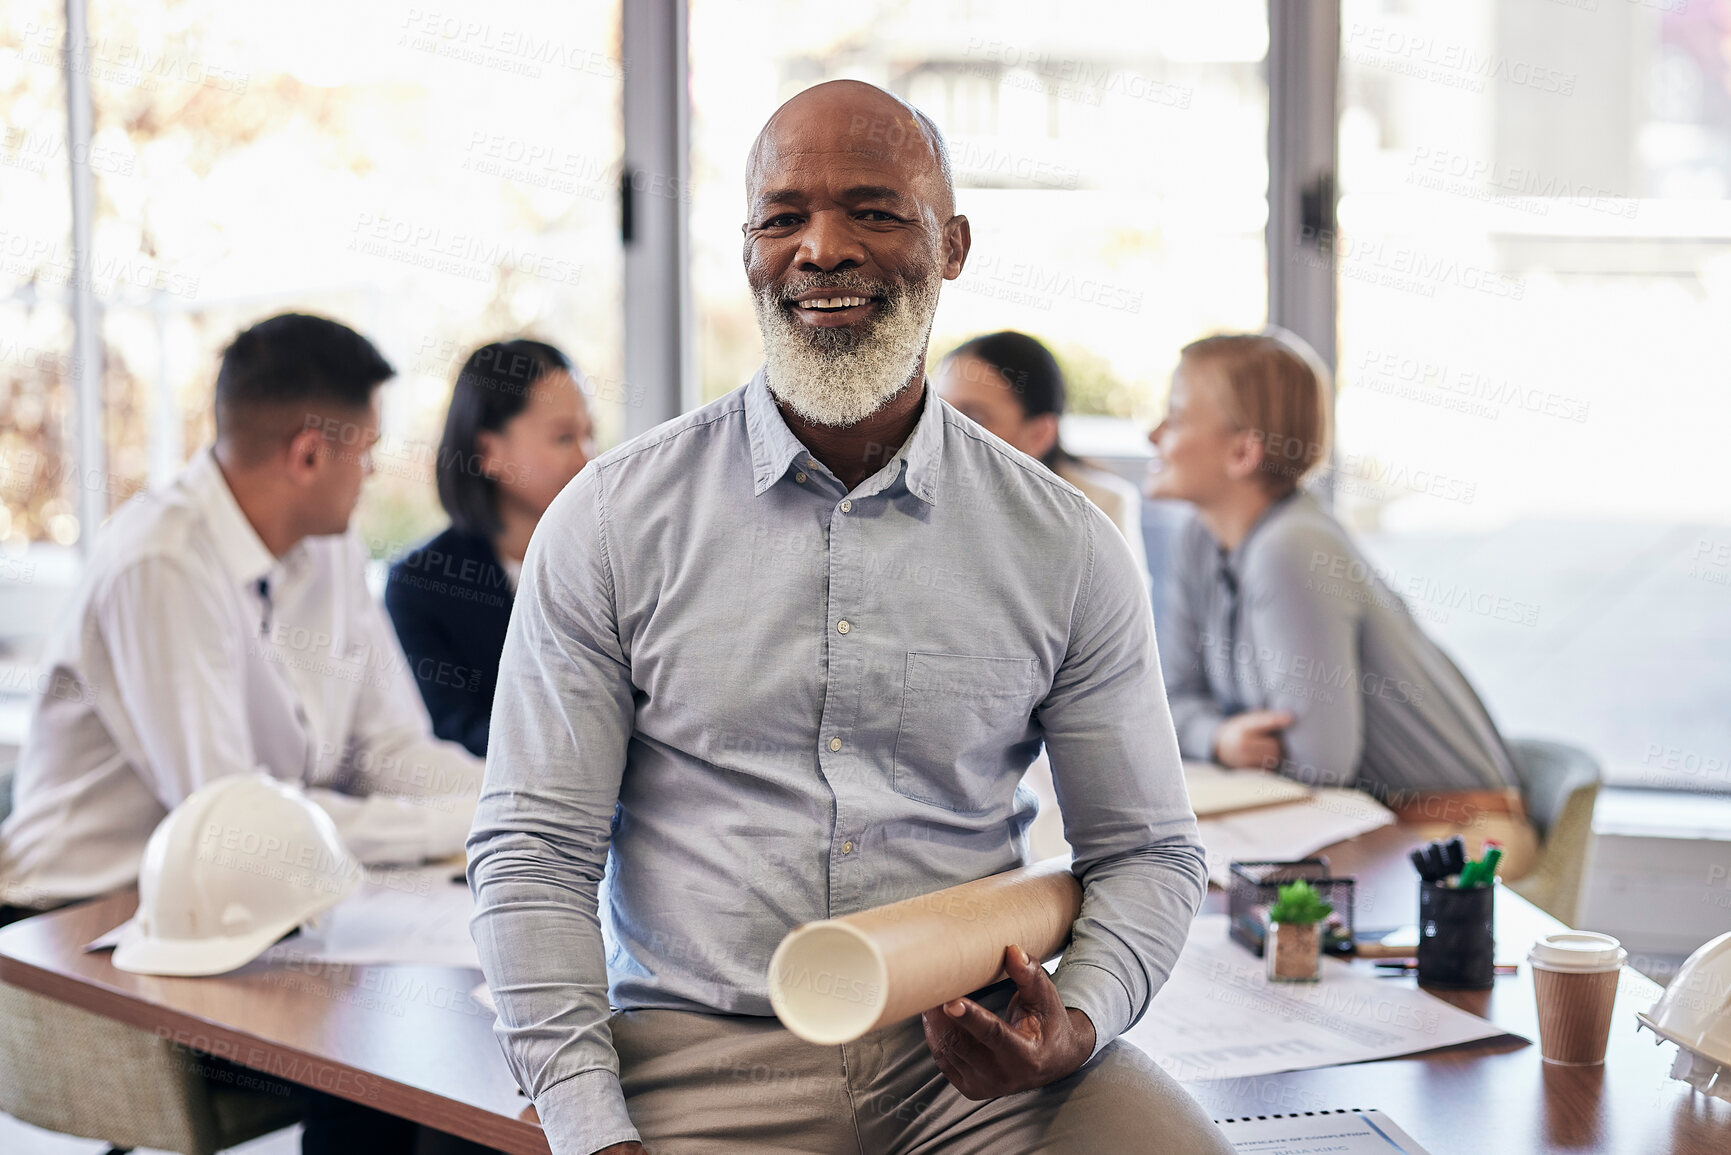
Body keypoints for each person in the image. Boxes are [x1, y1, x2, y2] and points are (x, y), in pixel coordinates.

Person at [467, 81, 1230, 1155]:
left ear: (952, 243)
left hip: (972, 1055)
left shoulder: (1066, 545)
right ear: (747, 251)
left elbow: (1147, 851)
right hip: (701, 1060)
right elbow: (536, 851)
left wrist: (1081, 1021)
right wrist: (591, 1125)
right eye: (782, 217)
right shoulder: (609, 520)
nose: (821, 249)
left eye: (873, 210)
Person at [0, 313, 483, 918]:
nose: (373, 473)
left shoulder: (331, 547)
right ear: (308, 456)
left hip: (235, 906)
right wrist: (443, 828)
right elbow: (236, 826)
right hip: (75, 912)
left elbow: (387, 749)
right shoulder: (162, 561)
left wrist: (503, 802)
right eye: (367, 452)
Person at [1146, 329, 1535, 874]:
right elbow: (1168, 699)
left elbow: (1319, 765)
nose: (1153, 433)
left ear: (1243, 451)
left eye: (1176, 415)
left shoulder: (1292, 547)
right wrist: (1221, 737)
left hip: (1450, 833)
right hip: (1357, 823)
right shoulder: (1199, 537)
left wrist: (1209, 735)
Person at [386, 339, 594, 756]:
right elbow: (452, 729)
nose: (586, 459)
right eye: (563, 437)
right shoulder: (422, 584)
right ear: (488, 451)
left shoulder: (613, 559)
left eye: (589, 435)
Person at [934, 331, 1148, 586]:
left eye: (974, 419)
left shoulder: (1100, 508)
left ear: (1039, 434)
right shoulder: (914, 492)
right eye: (938, 409)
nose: (944, 429)